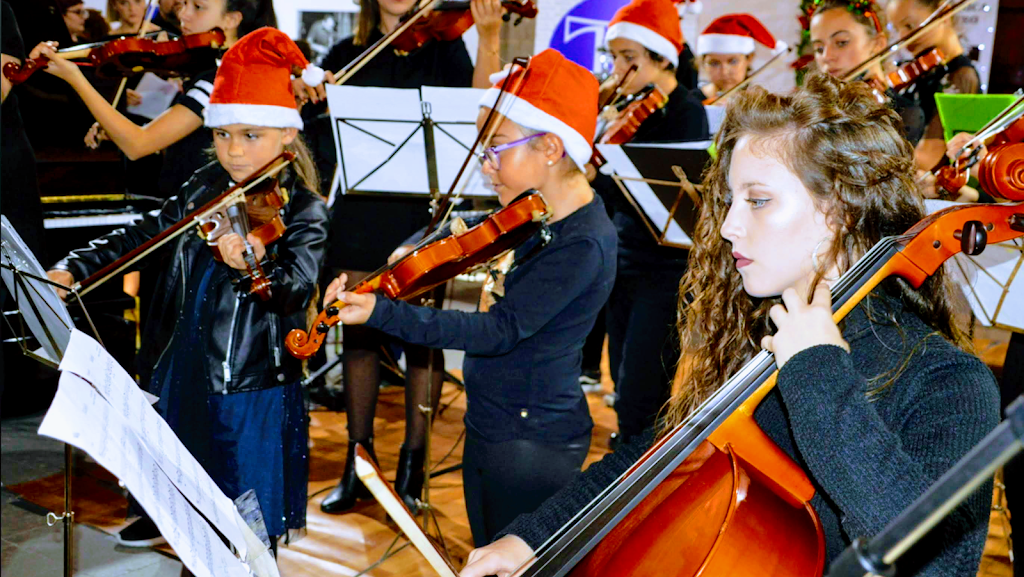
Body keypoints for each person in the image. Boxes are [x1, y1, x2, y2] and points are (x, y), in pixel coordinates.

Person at [459, 73, 999, 577]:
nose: (730, 227)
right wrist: (531, 538)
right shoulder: (762, 335)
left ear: (842, 211)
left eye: (758, 201)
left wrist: (818, 371)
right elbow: (661, 456)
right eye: (731, 201)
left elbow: (936, 562)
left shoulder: (947, 381)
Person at [45, 27, 329, 559]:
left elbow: (293, 293)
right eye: (224, 135)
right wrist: (74, 266)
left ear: (287, 136)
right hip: (185, 373)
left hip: (246, 387)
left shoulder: (303, 209)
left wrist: (252, 263)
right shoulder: (204, 186)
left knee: (245, 527)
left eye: (251, 136)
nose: (234, 150)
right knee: (192, 518)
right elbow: (143, 231)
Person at [322, 48, 617, 545]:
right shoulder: (537, 214)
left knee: (509, 555)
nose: (486, 166)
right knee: (486, 547)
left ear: (550, 147)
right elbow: (473, 234)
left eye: (496, 149)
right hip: (496, 417)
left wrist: (382, 313)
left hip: (530, 438)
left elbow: (496, 331)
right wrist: (405, 256)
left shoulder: (583, 242)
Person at [310, 0, 506, 516]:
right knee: (358, 335)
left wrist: (488, 36)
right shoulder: (347, 53)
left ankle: (413, 465)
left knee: (424, 336)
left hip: (422, 212)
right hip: (359, 209)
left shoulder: (445, 46)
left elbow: (479, 115)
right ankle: (359, 464)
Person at [592, 0, 709, 449]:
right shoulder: (625, 112)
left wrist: (603, 168)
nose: (617, 69)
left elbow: (667, 192)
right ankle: (628, 451)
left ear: (662, 58)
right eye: (615, 57)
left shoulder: (685, 110)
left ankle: (636, 467)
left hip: (665, 266)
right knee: (621, 370)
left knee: (643, 381)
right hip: (623, 256)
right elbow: (608, 197)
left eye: (629, 58)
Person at [32, 0, 277, 199]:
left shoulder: (222, 79)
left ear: (231, 20)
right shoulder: (226, 69)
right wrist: (117, 128)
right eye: (185, 4)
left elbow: (138, 145)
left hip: (202, 207)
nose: (184, 15)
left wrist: (75, 78)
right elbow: (186, 139)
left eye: (198, 7)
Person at [809, 0, 926, 146]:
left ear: (878, 43)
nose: (827, 56)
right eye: (819, 49)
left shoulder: (903, 115)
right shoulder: (817, 114)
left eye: (841, 42)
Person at [886, 0, 980, 171]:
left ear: (943, 13)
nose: (902, 37)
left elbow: (929, 158)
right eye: (896, 28)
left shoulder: (960, 77)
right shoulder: (918, 73)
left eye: (909, 25)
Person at [694, 13, 785, 102]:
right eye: (714, 63)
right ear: (702, 62)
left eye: (733, 61)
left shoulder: (760, 103)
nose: (724, 72)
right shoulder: (689, 102)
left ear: (749, 58)